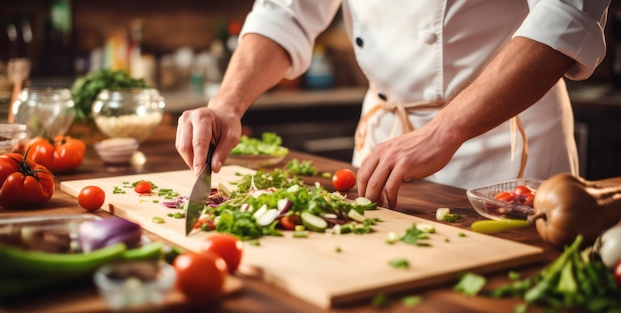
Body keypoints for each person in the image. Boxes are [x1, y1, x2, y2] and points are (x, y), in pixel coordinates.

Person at [175, 1, 611, 209]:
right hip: (384, 143)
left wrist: (444, 131)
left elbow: (564, 17)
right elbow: (285, 13)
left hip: (504, 147)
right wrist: (227, 103)